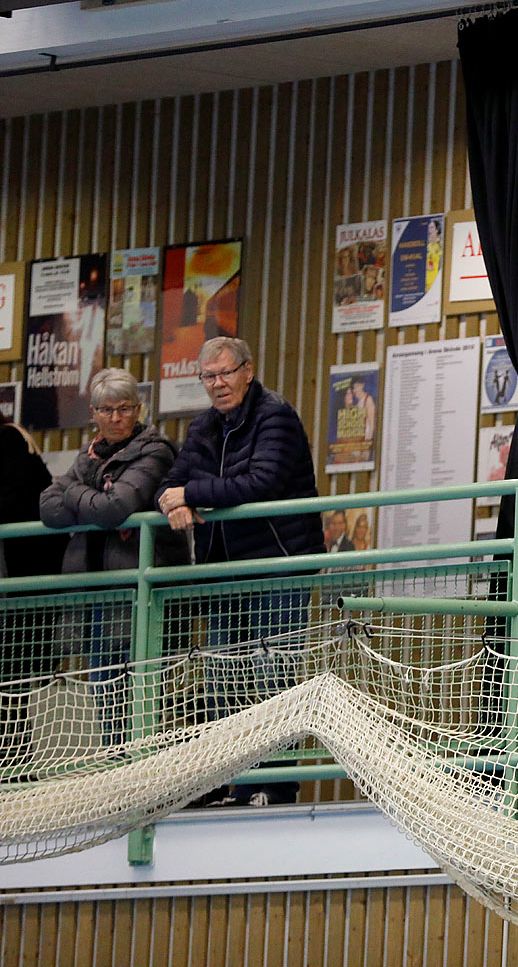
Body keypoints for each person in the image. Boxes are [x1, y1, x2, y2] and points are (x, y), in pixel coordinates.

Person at [157, 336, 324, 806]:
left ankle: (270, 785)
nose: (217, 384)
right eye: (208, 377)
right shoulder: (203, 427)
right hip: (223, 572)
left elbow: (262, 481)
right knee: (222, 680)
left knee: (272, 677)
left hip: (277, 566)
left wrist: (194, 493)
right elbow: (169, 486)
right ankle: (224, 782)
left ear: (248, 371)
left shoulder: (275, 415)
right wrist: (175, 500)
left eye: (226, 373)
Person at [39, 369, 191, 745]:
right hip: (96, 593)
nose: (115, 417)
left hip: (140, 596)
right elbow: (47, 507)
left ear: (138, 409)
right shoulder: (87, 457)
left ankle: (147, 778)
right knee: (103, 693)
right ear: (93, 412)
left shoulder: (155, 450)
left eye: (124, 408)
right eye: (106, 410)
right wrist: (85, 496)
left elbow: (116, 507)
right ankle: (120, 772)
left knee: (141, 695)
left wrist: (74, 491)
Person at [0, 406, 68, 726]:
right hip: (17, 584)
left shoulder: (10, 439)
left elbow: (12, 503)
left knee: (10, 685)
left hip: (21, 586)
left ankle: (15, 768)